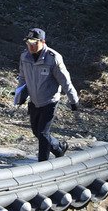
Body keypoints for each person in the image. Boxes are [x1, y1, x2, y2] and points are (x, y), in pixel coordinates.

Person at [17, 27, 80, 161]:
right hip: (34, 101)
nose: (31, 46)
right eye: (28, 43)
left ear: (43, 42)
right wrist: (20, 94)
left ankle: (43, 164)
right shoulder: (24, 57)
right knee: (36, 132)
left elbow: (65, 81)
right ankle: (58, 147)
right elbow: (22, 77)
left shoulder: (53, 58)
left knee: (43, 133)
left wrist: (73, 100)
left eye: (34, 43)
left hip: (49, 101)